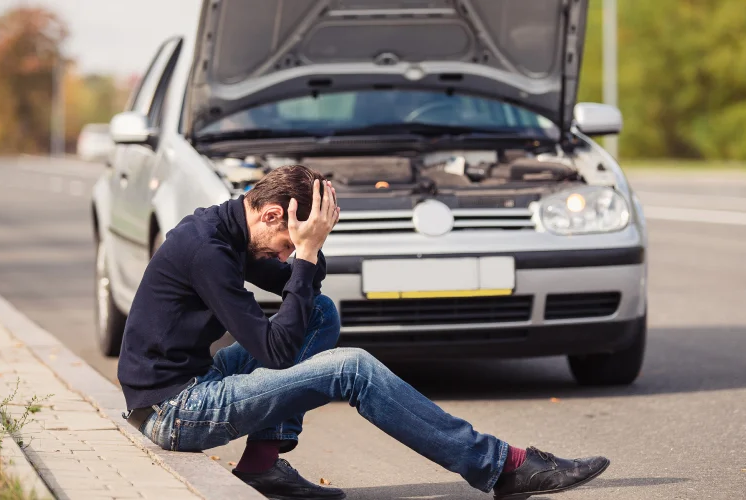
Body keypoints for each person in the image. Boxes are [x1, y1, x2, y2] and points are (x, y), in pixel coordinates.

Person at [118, 165, 610, 499]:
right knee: (353, 368)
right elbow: (275, 347)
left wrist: (311, 246)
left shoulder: (233, 230)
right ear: (271, 215)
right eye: (287, 241)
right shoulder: (209, 250)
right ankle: (502, 466)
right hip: (175, 412)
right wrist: (305, 255)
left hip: (192, 385)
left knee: (320, 313)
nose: (288, 254)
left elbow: (307, 287)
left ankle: (261, 464)